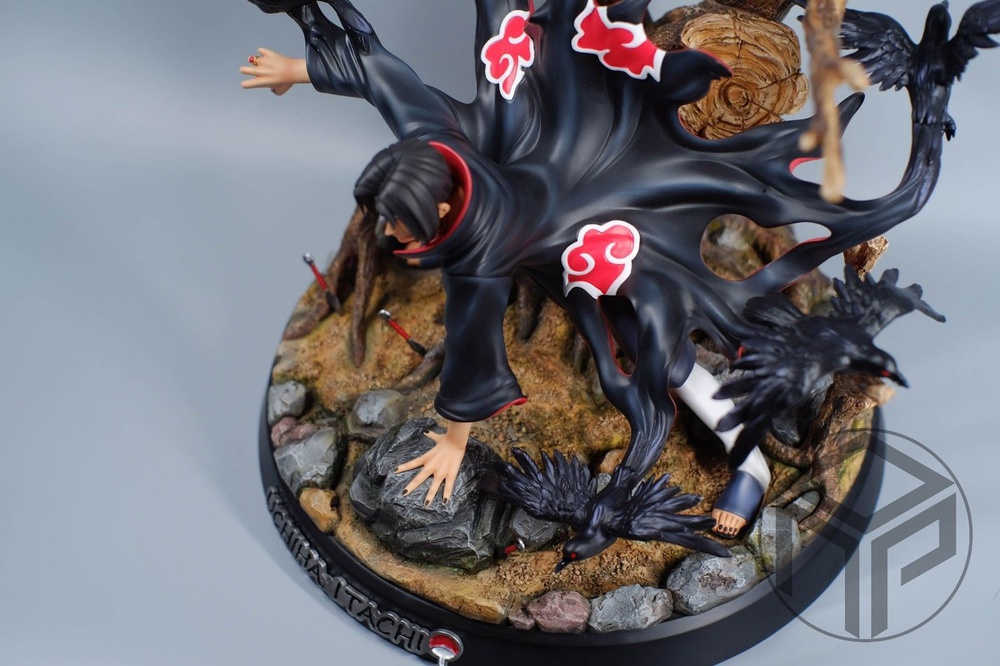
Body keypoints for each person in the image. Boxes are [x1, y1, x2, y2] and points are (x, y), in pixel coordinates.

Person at [240, 0, 944, 547]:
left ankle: (750, 462)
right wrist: (296, 70)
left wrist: (453, 441)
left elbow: (474, 341)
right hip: (534, 141)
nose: (391, 237)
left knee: (655, 350)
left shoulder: (477, 257)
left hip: (589, 228)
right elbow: (385, 77)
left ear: (445, 206)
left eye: (400, 226)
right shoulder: (431, 144)